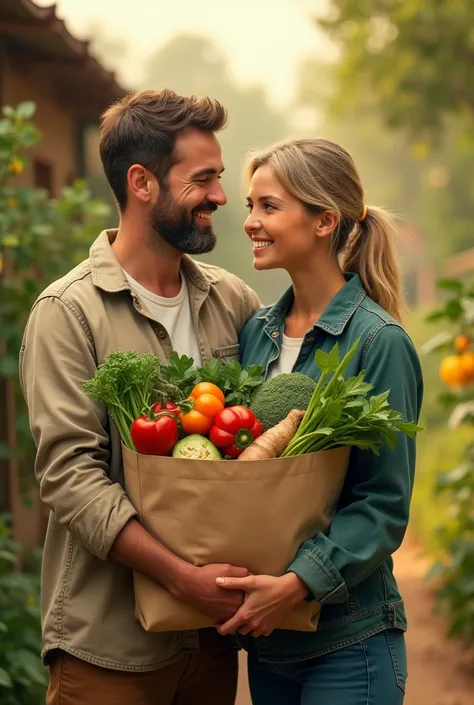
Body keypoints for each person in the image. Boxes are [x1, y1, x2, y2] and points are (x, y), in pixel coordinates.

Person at [19, 89, 261, 705]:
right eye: (202, 179)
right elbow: (70, 476)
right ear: (142, 182)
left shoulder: (232, 301)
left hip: (211, 643)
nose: (220, 197)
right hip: (109, 650)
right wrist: (184, 579)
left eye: (220, 177)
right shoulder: (67, 312)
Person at [214, 138, 423, 705]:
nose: (251, 222)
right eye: (250, 206)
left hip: (349, 640)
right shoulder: (256, 335)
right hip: (272, 643)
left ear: (325, 220)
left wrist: (296, 583)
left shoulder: (379, 343)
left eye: (269, 207)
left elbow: (382, 504)